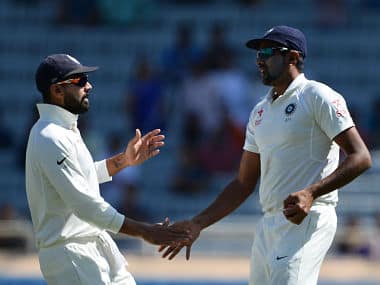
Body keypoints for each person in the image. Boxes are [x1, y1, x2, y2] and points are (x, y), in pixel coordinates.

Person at [159, 26, 372, 285]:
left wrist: (311, 193)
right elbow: (243, 183)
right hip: (269, 224)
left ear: (293, 57)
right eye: (257, 53)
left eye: (268, 52)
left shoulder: (317, 96)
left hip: (308, 216)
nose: (259, 59)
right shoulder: (259, 111)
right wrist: (197, 223)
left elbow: (360, 156)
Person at [26, 54, 191, 285]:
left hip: (94, 247)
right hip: (72, 255)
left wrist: (124, 161)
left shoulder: (64, 130)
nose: (88, 85)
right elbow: (84, 204)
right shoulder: (49, 136)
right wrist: (145, 231)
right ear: (57, 90)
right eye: (80, 80)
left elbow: (81, 178)